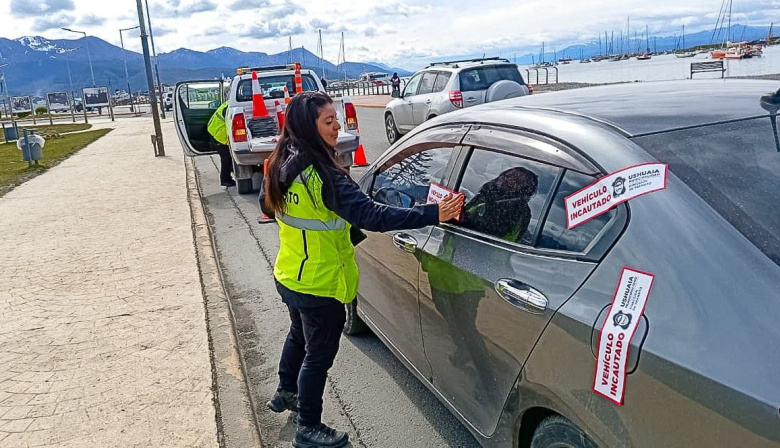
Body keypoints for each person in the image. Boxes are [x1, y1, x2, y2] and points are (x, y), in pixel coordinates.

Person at [260, 91, 462, 448]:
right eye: (328, 121)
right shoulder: (323, 175)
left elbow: (266, 204)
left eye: (336, 118)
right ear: (310, 127)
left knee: (298, 336)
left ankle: (285, 391)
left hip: (290, 273)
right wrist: (435, 212)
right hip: (320, 282)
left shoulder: (281, 160)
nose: (338, 126)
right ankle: (308, 427)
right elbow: (373, 216)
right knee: (318, 355)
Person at [206, 100, 236, 187]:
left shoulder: (230, 103)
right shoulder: (228, 108)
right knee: (226, 158)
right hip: (217, 134)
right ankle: (225, 180)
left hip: (215, 130)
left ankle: (231, 170)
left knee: (228, 156)